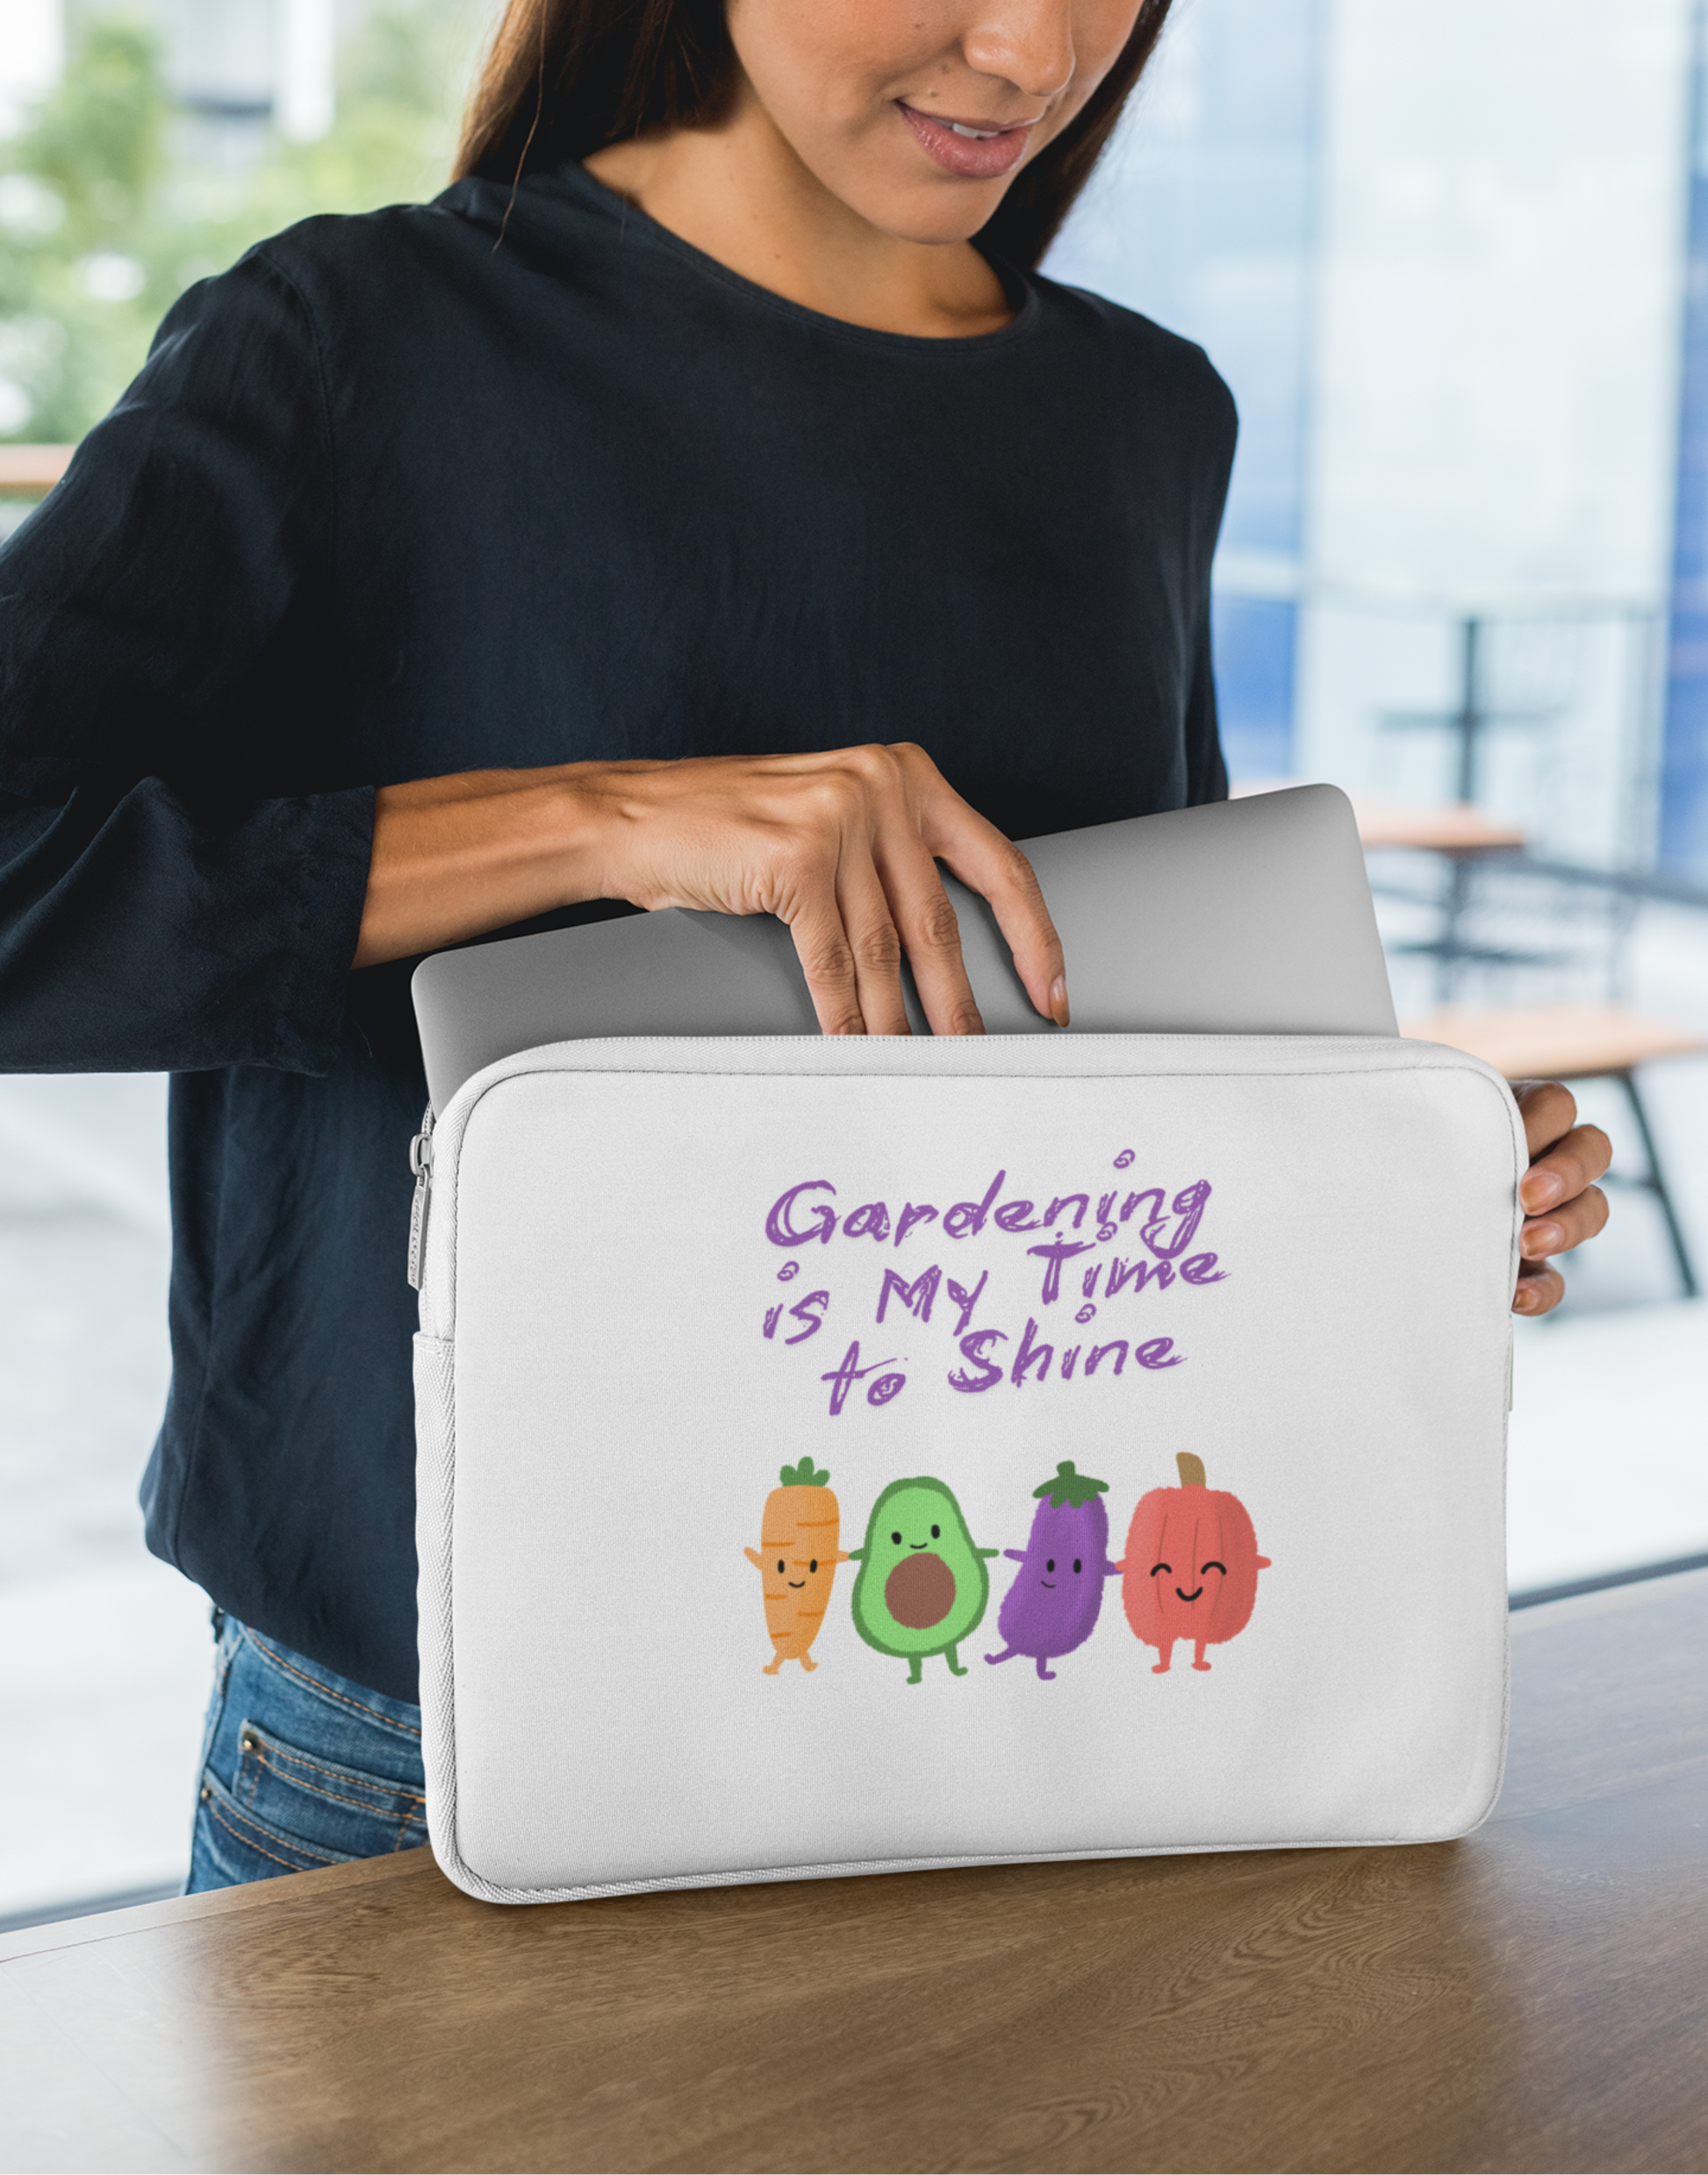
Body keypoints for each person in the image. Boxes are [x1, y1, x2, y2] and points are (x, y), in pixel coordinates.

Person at [0, 0, 1611, 1891]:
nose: (1029, 50)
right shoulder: (357, 342)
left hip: (1028, 1669)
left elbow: (1117, 1035)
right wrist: (607, 819)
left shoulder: (1147, 415)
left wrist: (1381, 1190)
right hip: (434, 1714)